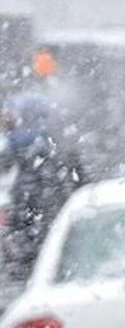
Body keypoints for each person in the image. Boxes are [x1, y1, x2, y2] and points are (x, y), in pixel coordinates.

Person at [1, 93, 86, 283]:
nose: (6, 119)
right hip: (47, 240)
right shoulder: (49, 148)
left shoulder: (21, 149)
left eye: (10, 113)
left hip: (30, 244)